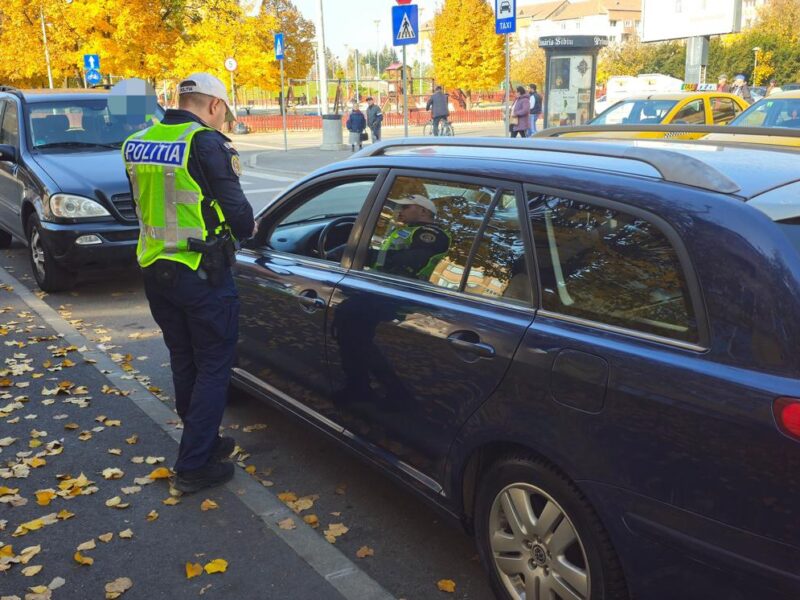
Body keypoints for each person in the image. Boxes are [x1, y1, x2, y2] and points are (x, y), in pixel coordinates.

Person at [122, 73, 256, 494]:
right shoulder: (205, 142)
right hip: (202, 273)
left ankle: (206, 442)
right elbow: (242, 219)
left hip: (154, 269)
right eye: (224, 113)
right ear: (214, 105)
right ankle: (194, 465)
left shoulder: (136, 142)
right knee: (214, 367)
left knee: (184, 361)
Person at [370, 194, 450, 281]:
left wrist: (368, 255)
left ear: (423, 211)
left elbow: (409, 260)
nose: (400, 210)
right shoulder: (409, 229)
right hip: (385, 279)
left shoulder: (433, 234)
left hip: (401, 285)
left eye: (405, 207)